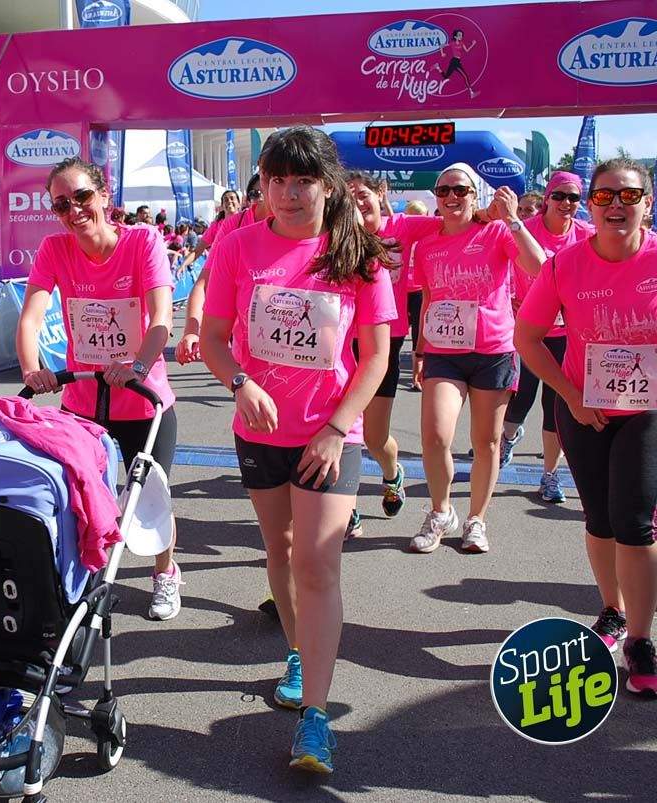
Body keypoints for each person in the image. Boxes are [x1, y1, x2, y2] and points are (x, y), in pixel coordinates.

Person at [199, 126, 393, 773]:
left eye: (301, 179)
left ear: (327, 185)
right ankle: (295, 647)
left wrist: (337, 426)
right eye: (276, 178)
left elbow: (377, 357)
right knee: (278, 551)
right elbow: (216, 338)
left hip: (329, 436)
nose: (286, 192)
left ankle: (316, 717)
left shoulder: (356, 253)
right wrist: (240, 382)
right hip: (260, 433)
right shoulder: (237, 246)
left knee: (316, 564)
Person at [17, 157, 182, 621]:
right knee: (86, 500)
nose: (74, 211)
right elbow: (30, 317)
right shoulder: (55, 249)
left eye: (82, 197)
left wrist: (139, 365)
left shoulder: (142, 241)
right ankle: (89, 579)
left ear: (104, 196)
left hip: (145, 400)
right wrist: (33, 368)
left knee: (150, 497)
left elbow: (162, 319)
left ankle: (165, 574)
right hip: (85, 400)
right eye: (61, 204)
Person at [515, 156, 657, 695]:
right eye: (604, 197)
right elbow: (527, 338)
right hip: (584, 409)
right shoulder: (564, 265)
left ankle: (642, 639)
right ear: (591, 205)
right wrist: (570, 396)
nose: (616, 205)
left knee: (635, 520)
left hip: (647, 412)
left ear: (647, 201)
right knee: (599, 520)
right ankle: (613, 612)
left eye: (628, 195)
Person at [410, 163, 545, 554]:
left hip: (493, 350)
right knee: (435, 436)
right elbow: (429, 299)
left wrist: (514, 220)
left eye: (461, 191)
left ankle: (476, 520)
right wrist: (419, 349)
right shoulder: (428, 244)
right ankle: (441, 511)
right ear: (436, 197)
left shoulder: (497, 232)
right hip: (443, 352)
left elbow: (538, 268)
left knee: (486, 442)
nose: (452, 197)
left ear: (475, 196)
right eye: (444, 190)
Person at [342, 171, 446, 538]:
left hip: (387, 339)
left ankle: (392, 473)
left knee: (373, 437)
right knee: (340, 428)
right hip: (341, 341)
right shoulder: (337, 234)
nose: (357, 202)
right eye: (349, 196)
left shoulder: (401, 226)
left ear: (380, 193)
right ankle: (345, 507)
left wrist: (488, 216)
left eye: (364, 194)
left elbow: (449, 218)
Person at [501, 172, 595, 504]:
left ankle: (550, 474)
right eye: (559, 196)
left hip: (569, 333)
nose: (566, 203)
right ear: (547, 200)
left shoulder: (586, 234)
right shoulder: (530, 232)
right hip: (530, 330)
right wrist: (512, 298)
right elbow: (513, 267)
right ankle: (508, 438)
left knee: (555, 404)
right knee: (522, 396)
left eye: (573, 197)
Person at [175, 176, 267, 364]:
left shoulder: (309, 224)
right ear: (247, 199)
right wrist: (192, 330)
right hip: (244, 342)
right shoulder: (228, 225)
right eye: (255, 193)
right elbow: (202, 278)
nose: (262, 197)